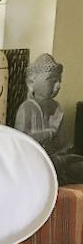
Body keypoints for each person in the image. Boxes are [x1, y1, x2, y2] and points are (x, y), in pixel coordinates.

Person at [14, 54, 83, 185]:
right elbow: (21, 140)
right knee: (42, 167)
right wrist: (50, 132)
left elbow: (62, 143)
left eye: (59, 81)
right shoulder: (27, 107)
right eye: (52, 81)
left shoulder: (56, 107)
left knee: (77, 165)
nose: (58, 86)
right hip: (34, 159)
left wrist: (66, 149)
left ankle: (57, 175)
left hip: (56, 158)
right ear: (32, 82)